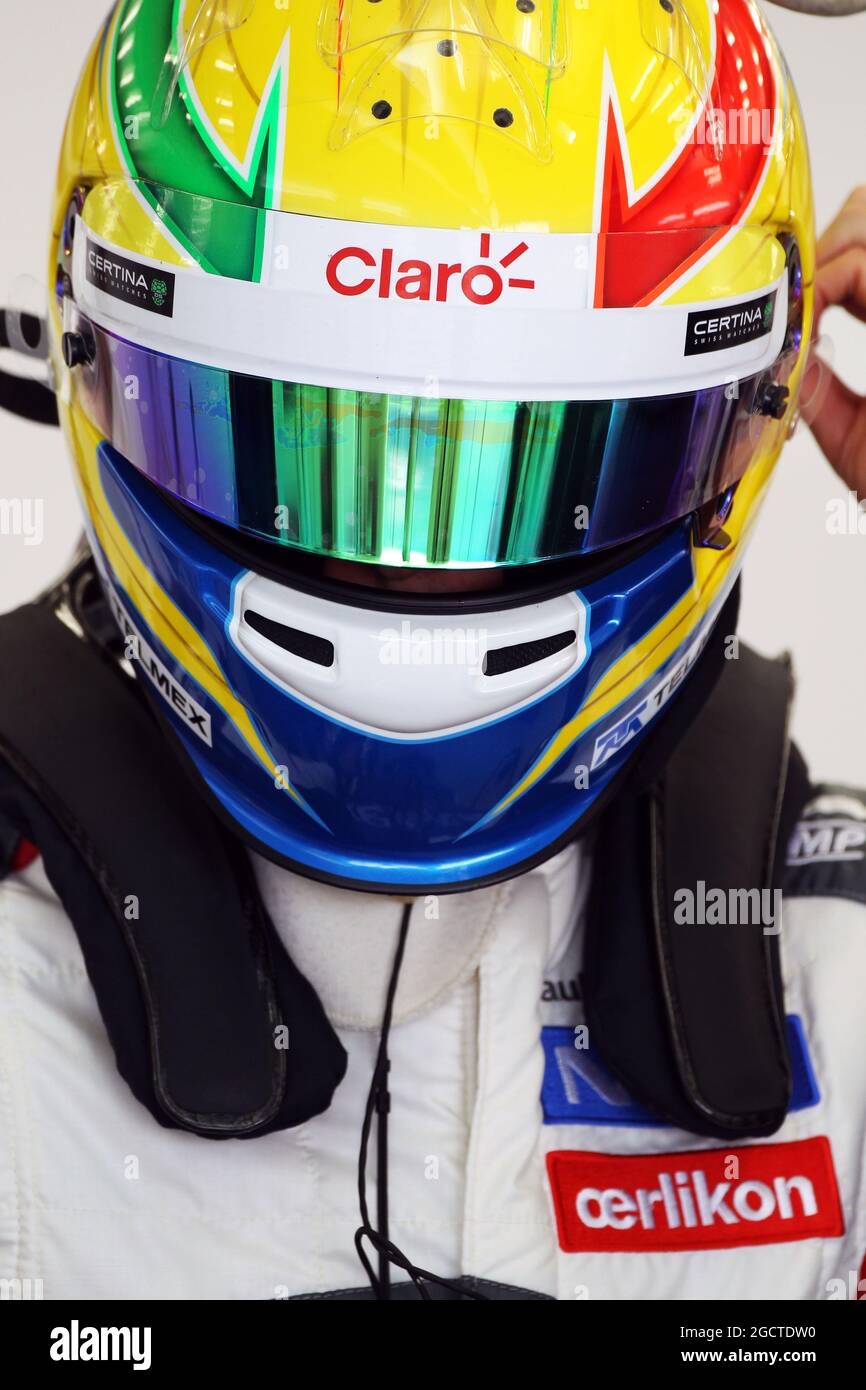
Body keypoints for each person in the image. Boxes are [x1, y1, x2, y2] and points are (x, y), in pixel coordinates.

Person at [0, 0, 865, 1303]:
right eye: (307, 444)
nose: (414, 565)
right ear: (95, 357)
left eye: (546, 459)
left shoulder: (830, 959)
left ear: (755, 405)